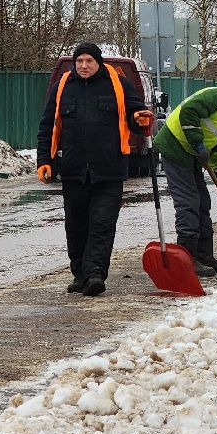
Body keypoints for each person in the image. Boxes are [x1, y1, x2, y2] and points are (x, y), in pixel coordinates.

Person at [36, 41, 151, 298]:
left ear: (99, 63)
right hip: (73, 170)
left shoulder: (118, 84)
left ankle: (96, 273)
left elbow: (135, 114)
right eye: (79, 61)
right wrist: (44, 159)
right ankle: (80, 274)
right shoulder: (62, 87)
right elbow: (47, 126)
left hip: (109, 169)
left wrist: (140, 118)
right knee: (76, 226)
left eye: (88, 61)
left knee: (102, 224)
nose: (84, 66)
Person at [153, 85, 217, 278]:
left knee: (203, 202)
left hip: (193, 154)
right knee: (189, 203)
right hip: (175, 146)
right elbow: (188, 111)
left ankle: (204, 256)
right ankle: (186, 258)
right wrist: (198, 144)